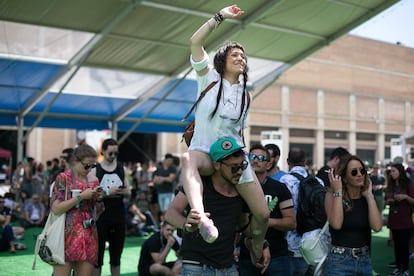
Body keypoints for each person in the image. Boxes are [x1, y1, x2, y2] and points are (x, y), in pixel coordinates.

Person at [181, 4, 269, 263]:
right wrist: (220, 16)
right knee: (188, 159)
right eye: (235, 55)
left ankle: (255, 247)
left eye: (243, 57)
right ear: (222, 59)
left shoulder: (246, 96)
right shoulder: (207, 77)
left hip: (234, 160)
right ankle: (202, 218)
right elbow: (194, 42)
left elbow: (238, 133)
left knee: (262, 214)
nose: (241, 59)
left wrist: (242, 164)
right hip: (206, 155)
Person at [166, 137, 270, 275]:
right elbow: (170, 213)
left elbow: (244, 226)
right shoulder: (199, 184)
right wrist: (187, 225)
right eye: (234, 167)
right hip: (197, 267)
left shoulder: (241, 190)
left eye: (242, 166)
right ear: (216, 165)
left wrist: (261, 243)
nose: (239, 172)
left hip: (228, 267)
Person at [239, 144, 295, 275]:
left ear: (268, 165)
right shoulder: (239, 187)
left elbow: (291, 223)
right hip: (247, 255)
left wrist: (266, 221)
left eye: (260, 158)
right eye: (252, 156)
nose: (255, 160)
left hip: (277, 256)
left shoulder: (280, 189)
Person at [51, 143, 104, 276]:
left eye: (93, 166)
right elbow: (56, 209)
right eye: (87, 165)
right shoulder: (63, 178)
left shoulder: (94, 180)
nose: (90, 169)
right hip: (65, 235)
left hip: (88, 234)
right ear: (75, 161)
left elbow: (99, 210)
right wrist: (80, 197)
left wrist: (98, 199)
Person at [324, 155, 382, 275]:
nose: (360, 174)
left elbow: (377, 227)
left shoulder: (367, 198)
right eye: (354, 172)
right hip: (339, 261)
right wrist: (338, 192)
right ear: (344, 178)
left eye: (362, 170)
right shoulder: (332, 195)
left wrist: (369, 196)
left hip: (364, 260)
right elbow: (336, 224)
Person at [279, 147, 325, 275]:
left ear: (288, 161)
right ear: (305, 161)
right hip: (314, 244)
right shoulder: (318, 182)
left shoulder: (283, 181)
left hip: (291, 245)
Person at [90, 138, 131, 276]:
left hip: (118, 217)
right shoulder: (95, 170)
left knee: (116, 258)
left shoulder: (121, 168)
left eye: (116, 153)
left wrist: (124, 191)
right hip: (101, 217)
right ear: (103, 152)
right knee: (97, 258)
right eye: (110, 153)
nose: (113, 156)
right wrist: (107, 193)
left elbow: (129, 190)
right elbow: (90, 194)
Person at [385, 162, 414, 276]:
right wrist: (389, 200)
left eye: (393, 171)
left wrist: (405, 197)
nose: (391, 173)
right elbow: (387, 198)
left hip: (405, 219)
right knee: (396, 244)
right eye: (390, 171)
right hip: (394, 218)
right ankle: (398, 267)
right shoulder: (391, 185)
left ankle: (405, 268)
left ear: (400, 172)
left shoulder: (408, 184)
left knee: (404, 245)